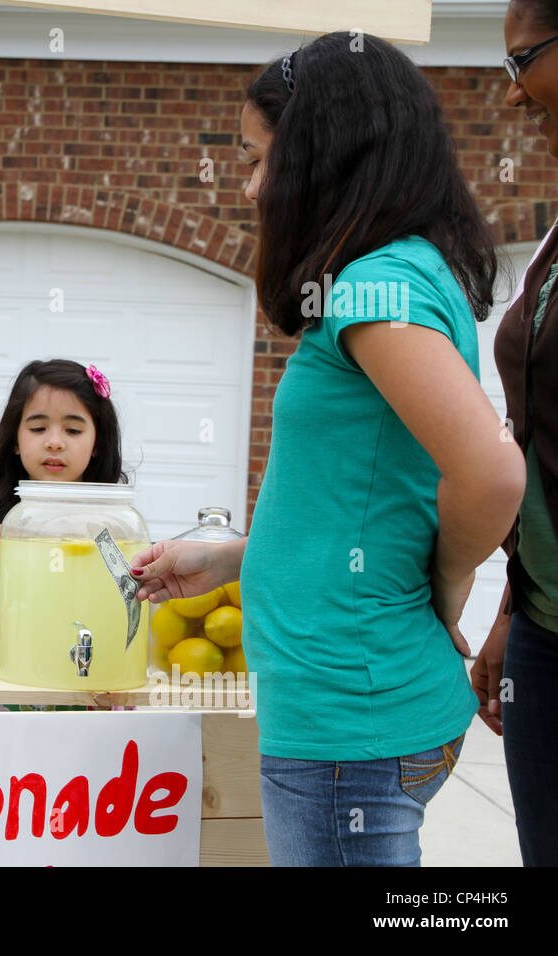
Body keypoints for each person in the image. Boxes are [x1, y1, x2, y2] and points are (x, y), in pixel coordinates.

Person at [131, 33, 526, 866]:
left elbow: (491, 472)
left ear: (320, 156)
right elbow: (367, 486)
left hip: (348, 717)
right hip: (352, 706)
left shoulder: (373, 286)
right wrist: (241, 556)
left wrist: (446, 586)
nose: (248, 187)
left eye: (257, 159)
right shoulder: (401, 272)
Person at [471, 0, 558, 867]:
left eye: (522, 61)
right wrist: (507, 609)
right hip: (543, 626)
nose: (513, 93)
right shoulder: (553, 241)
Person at [0, 358, 130, 712]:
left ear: (97, 442)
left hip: (88, 711)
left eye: (73, 430)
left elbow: (124, 633)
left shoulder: (116, 533)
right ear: (15, 440)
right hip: (1, 716)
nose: (54, 443)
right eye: (37, 428)